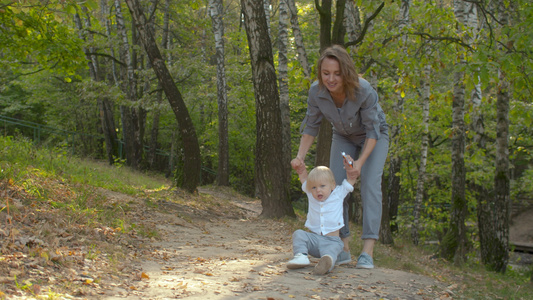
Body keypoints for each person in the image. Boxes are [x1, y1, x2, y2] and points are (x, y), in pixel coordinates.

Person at [291, 45, 389, 269]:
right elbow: (311, 126)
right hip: (343, 136)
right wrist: (300, 157)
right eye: (326, 73)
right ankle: (342, 247)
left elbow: (373, 131)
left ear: (346, 72)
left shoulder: (364, 90)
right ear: (320, 73)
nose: (331, 79)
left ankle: (367, 251)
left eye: (337, 73)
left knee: (369, 185)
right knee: (332, 186)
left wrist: (359, 164)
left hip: (373, 136)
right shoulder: (316, 92)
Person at [287, 155, 357, 275]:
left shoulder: (338, 193)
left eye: (322, 186)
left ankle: (326, 263)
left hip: (332, 241)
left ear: (332, 186)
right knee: (299, 234)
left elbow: (351, 179)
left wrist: (350, 167)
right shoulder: (311, 194)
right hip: (314, 240)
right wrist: (301, 170)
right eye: (314, 187)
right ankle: (301, 257)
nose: (318, 190)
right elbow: (304, 178)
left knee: (332, 251)